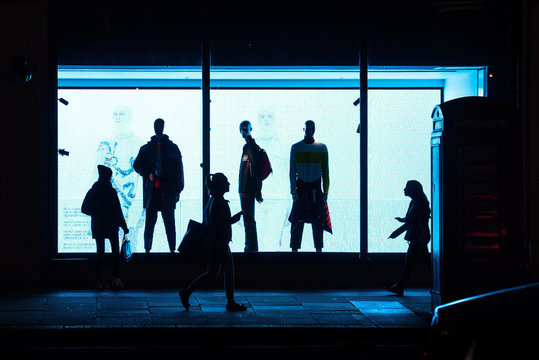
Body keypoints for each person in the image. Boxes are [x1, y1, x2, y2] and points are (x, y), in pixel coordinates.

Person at [179, 173, 247, 312]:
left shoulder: (212, 200)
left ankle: (188, 291)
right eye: (226, 182)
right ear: (220, 185)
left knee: (212, 272)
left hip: (212, 242)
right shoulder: (220, 202)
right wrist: (237, 217)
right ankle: (231, 302)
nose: (229, 184)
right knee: (229, 271)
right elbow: (222, 223)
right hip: (220, 242)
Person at [133, 118, 184, 253]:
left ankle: (172, 250)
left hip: (168, 191)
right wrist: (148, 173)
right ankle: (147, 250)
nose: (158, 127)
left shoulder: (172, 148)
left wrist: (178, 190)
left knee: (169, 223)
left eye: (160, 125)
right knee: (150, 223)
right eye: (156, 125)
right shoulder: (146, 148)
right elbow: (136, 165)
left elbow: (179, 170)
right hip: (152, 191)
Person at [81, 165, 129, 290]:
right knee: (115, 253)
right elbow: (118, 211)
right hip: (112, 226)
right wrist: (124, 227)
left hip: (98, 225)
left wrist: (96, 213)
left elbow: (84, 208)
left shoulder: (93, 191)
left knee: (100, 253)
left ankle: (99, 280)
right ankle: (116, 278)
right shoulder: (111, 191)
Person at [288, 120, 332, 252]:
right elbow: (292, 171)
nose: (309, 131)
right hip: (302, 189)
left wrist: (326, 191)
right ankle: (294, 250)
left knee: (317, 221)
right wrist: (293, 191)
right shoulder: (296, 148)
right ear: (304, 129)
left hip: (315, 189)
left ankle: (318, 250)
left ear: (314, 129)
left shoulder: (322, 148)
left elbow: (326, 171)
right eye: (308, 128)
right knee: (297, 221)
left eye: (312, 128)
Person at [385, 180, 432, 296]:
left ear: (413, 190)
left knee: (412, 263)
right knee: (421, 262)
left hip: (418, 236)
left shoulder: (419, 203)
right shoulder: (417, 202)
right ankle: (400, 286)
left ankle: (400, 286)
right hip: (418, 236)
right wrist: (397, 231)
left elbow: (413, 220)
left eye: (407, 188)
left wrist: (398, 230)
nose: (404, 190)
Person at [238, 120, 263, 252]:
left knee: (248, 219)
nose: (243, 131)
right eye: (241, 129)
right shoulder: (249, 146)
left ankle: (251, 247)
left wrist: (256, 189)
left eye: (245, 128)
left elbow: (255, 170)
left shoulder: (250, 147)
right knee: (248, 218)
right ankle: (251, 246)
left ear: (250, 129)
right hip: (246, 188)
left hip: (247, 189)